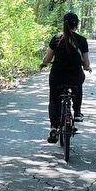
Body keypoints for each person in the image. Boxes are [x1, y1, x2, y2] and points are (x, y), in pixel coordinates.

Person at [39, 12, 91, 143]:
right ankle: (77, 112)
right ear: (77, 24)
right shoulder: (82, 40)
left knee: (53, 99)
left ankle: (53, 127)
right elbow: (86, 62)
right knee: (78, 86)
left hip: (57, 76)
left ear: (64, 23)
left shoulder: (56, 38)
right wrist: (86, 67)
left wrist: (43, 63)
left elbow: (48, 58)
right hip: (75, 76)